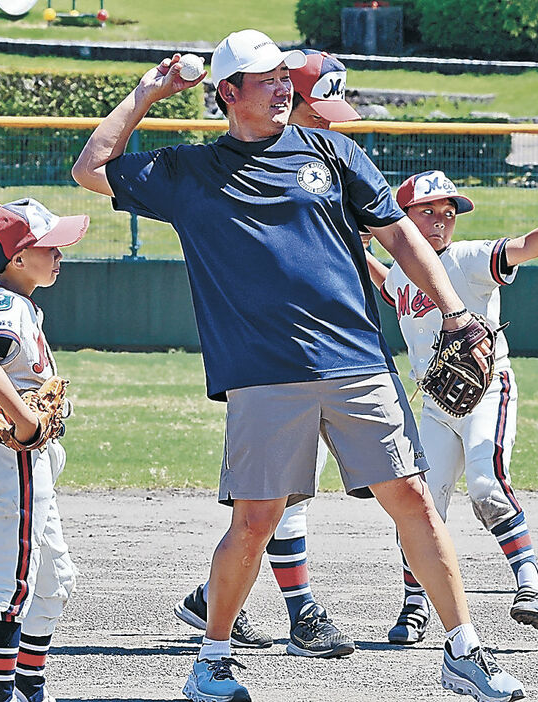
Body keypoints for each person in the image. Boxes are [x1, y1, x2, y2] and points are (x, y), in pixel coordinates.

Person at [72, 29, 525, 702]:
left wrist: (456, 311)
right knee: (255, 522)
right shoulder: (188, 173)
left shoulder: (330, 150)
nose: (283, 86)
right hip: (263, 373)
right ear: (227, 93)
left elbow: (399, 235)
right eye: (266, 79)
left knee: (416, 505)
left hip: (356, 361)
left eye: (286, 75)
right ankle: (213, 660)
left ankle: (464, 653)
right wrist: (148, 92)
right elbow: (90, 168)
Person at [173, 49, 360, 660]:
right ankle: (300, 611)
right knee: (278, 496)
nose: (328, 124)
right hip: (270, 354)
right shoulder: (239, 166)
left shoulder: (320, 161)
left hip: (328, 343)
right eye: (317, 109)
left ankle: (215, 597)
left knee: (283, 496)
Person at [364, 171, 538, 645]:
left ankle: (530, 582)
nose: (441, 221)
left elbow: (524, 247)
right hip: (436, 405)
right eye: (428, 211)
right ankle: (414, 604)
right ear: (400, 219)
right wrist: (351, 241)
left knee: (486, 483)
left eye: (448, 213)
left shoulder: (467, 258)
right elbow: (390, 285)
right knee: (423, 505)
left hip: (487, 391)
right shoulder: (405, 270)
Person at [0, 198, 88, 702]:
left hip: (31, 458)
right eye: (49, 246)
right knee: (16, 579)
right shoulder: (3, 305)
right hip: (14, 454)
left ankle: (28, 687)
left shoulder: (23, 304)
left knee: (56, 578)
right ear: (17, 258)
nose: (59, 254)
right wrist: (24, 418)